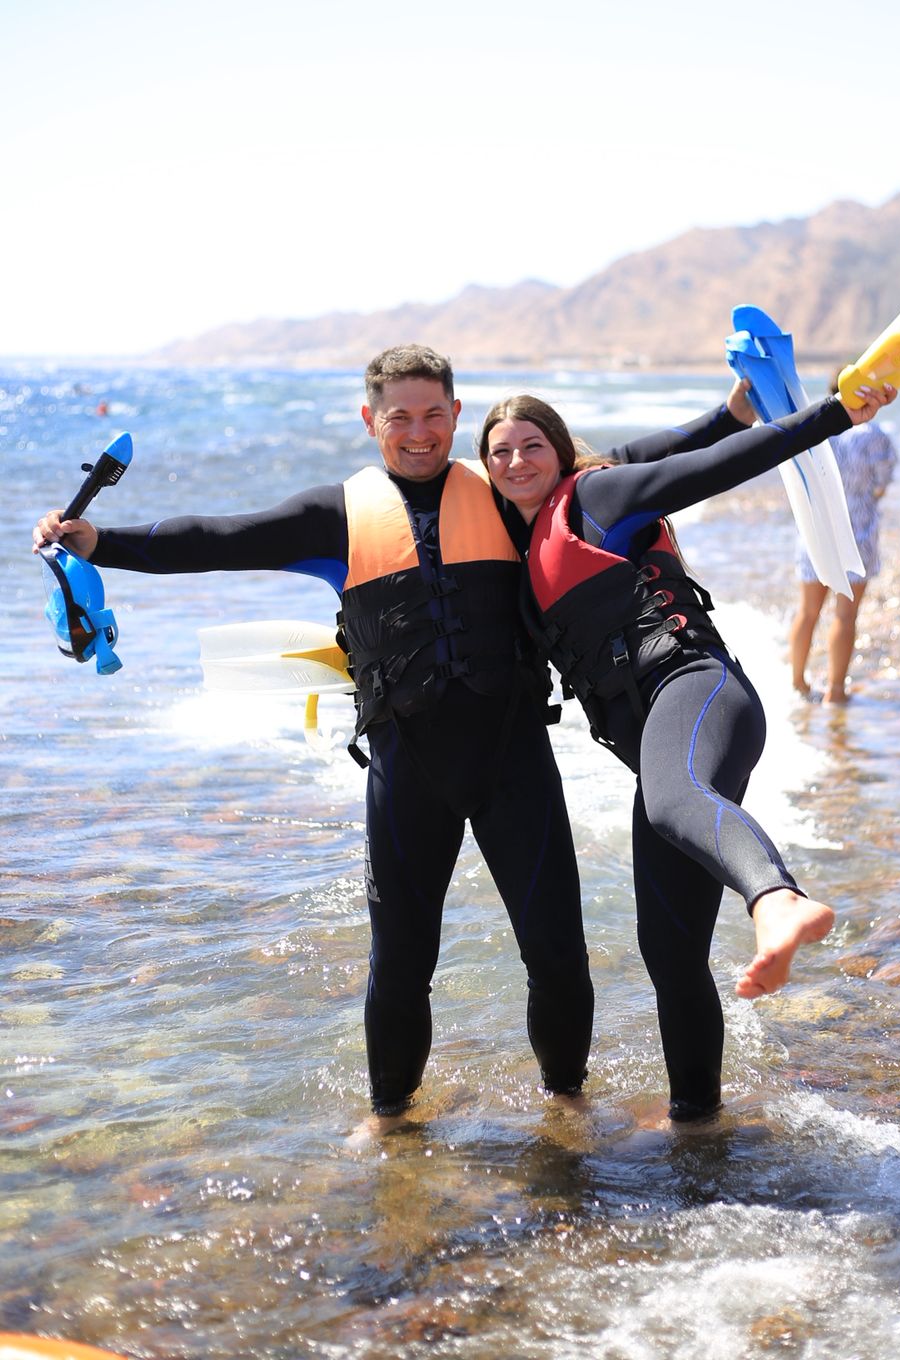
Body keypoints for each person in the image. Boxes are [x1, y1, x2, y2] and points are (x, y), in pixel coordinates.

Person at [33, 345, 601, 1136]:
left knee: (557, 951)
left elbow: (635, 477)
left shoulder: (508, 496)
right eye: (399, 416)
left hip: (514, 758)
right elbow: (216, 537)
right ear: (370, 421)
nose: (419, 432)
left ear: (456, 417)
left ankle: (567, 1104)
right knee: (401, 965)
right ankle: (392, 1121)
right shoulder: (336, 516)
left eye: (435, 414)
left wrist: (739, 416)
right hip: (410, 771)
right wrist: (101, 543)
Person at [479, 379, 896, 1123]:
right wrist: (732, 407)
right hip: (664, 740)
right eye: (499, 452)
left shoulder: (596, 499)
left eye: (531, 445)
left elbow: (711, 468)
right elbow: (682, 440)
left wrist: (834, 415)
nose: (515, 461)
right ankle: (697, 1126)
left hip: (699, 690)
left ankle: (777, 899)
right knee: (669, 952)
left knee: (673, 800)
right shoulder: (530, 534)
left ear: (559, 448)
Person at [789, 368, 898, 703]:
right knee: (845, 615)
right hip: (859, 531)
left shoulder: (816, 433)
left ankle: (799, 684)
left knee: (807, 612)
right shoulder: (875, 436)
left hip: (816, 530)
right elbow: (881, 484)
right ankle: (835, 691)